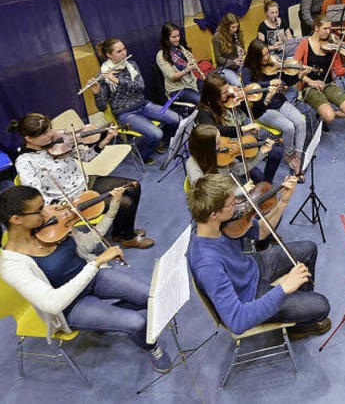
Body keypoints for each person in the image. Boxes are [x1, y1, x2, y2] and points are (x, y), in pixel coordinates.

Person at [0, 186, 171, 373]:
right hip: (71, 306)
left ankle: (103, 320)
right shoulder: (11, 264)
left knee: (151, 296)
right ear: (16, 219)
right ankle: (151, 347)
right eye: (39, 210)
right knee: (137, 323)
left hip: (94, 278)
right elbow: (52, 304)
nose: (47, 211)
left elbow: (90, 243)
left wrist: (113, 208)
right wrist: (96, 263)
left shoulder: (52, 227)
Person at [186, 173, 331, 338]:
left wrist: (283, 202)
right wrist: (284, 289)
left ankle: (300, 318)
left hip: (253, 267)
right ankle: (300, 322)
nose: (237, 205)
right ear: (214, 214)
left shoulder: (219, 223)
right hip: (250, 298)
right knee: (322, 305)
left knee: (309, 249)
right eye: (232, 203)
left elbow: (261, 231)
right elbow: (237, 321)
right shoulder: (207, 265)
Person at [9, 113, 153, 249]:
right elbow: (34, 193)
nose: (51, 134)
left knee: (133, 186)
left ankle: (119, 233)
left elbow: (87, 157)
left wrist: (105, 140)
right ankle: (128, 238)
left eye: (50, 129)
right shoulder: (25, 162)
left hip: (86, 182)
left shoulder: (58, 144)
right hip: (72, 200)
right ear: (29, 139)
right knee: (125, 203)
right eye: (45, 133)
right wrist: (59, 207)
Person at [92, 37, 180, 166]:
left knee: (175, 118)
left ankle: (163, 142)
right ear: (109, 55)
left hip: (143, 105)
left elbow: (141, 86)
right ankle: (142, 155)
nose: (124, 53)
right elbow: (101, 107)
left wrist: (118, 81)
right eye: (119, 51)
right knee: (156, 133)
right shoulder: (102, 75)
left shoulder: (131, 65)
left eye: (124, 49)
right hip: (125, 113)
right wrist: (97, 93)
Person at [195, 74, 283, 184]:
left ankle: (267, 183)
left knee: (277, 152)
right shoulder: (204, 112)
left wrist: (267, 99)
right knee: (258, 178)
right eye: (224, 92)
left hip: (245, 140)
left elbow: (254, 114)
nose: (229, 93)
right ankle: (262, 185)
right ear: (213, 95)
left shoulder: (231, 100)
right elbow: (215, 129)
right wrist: (243, 128)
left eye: (228, 89)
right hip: (229, 150)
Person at [242, 38, 306, 178]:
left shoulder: (274, 63)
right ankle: (289, 156)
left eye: (267, 53)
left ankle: (298, 156)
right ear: (254, 56)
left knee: (301, 122)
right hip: (263, 107)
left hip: (279, 102)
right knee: (289, 127)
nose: (266, 58)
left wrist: (299, 76)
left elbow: (287, 81)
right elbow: (249, 86)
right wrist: (268, 83)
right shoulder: (247, 70)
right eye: (262, 55)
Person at [294, 15, 345, 132]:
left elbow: (340, 71)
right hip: (310, 87)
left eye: (329, 29)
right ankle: (326, 114)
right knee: (330, 117)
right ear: (316, 28)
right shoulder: (304, 44)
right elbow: (295, 68)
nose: (329, 32)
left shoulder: (331, 46)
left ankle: (325, 114)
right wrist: (310, 81)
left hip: (328, 84)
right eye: (325, 29)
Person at [156, 21, 201, 105]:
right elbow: (173, 77)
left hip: (192, 82)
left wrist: (193, 61)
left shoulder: (181, 48)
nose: (177, 39)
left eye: (178, 36)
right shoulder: (161, 55)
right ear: (166, 38)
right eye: (174, 37)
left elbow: (193, 66)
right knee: (202, 101)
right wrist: (186, 70)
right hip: (178, 89)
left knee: (212, 92)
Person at [211, 13, 245, 87]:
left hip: (238, 64)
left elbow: (243, 50)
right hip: (225, 67)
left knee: (250, 78)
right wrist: (233, 62)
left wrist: (242, 51)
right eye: (232, 27)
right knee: (238, 84)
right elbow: (218, 58)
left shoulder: (238, 33)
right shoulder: (217, 37)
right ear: (226, 26)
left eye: (236, 27)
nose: (235, 30)